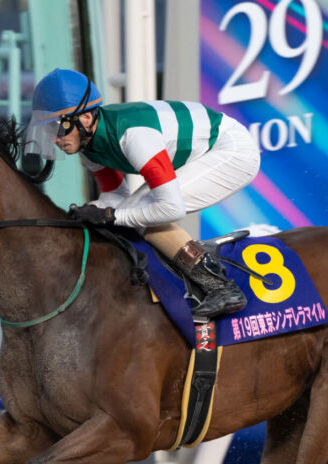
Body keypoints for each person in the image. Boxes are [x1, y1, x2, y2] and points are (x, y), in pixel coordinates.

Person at [25, 68, 261, 320]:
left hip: (232, 151)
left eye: (59, 128)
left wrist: (110, 215)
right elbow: (115, 198)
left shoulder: (134, 136)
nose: (55, 140)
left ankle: (220, 285)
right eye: (50, 129)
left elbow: (171, 209)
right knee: (131, 213)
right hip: (202, 149)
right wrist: (89, 214)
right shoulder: (87, 147)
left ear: (84, 118)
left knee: (141, 214)